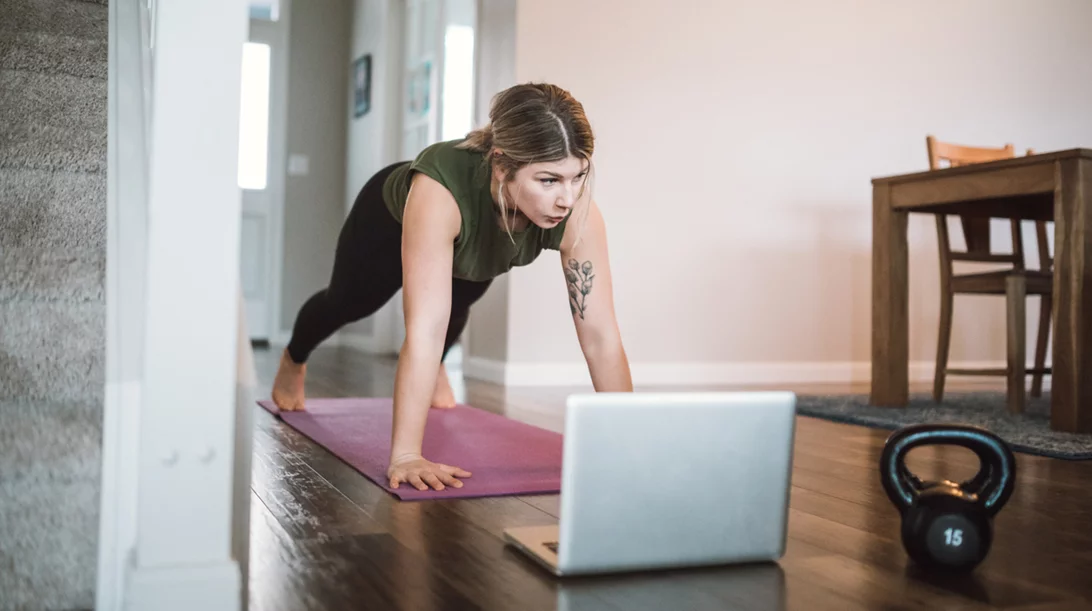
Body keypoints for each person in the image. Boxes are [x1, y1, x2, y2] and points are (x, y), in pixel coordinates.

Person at [270, 82, 633, 492]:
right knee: (349, 302)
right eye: (549, 180)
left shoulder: (577, 211)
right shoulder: (438, 191)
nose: (567, 198)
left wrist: (628, 442)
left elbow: (600, 335)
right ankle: (294, 357)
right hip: (387, 221)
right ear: (501, 166)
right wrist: (406, 456)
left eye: (578, 176)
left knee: (460, 303)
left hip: (475, 235)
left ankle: (438, 366)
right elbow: (424, 329)